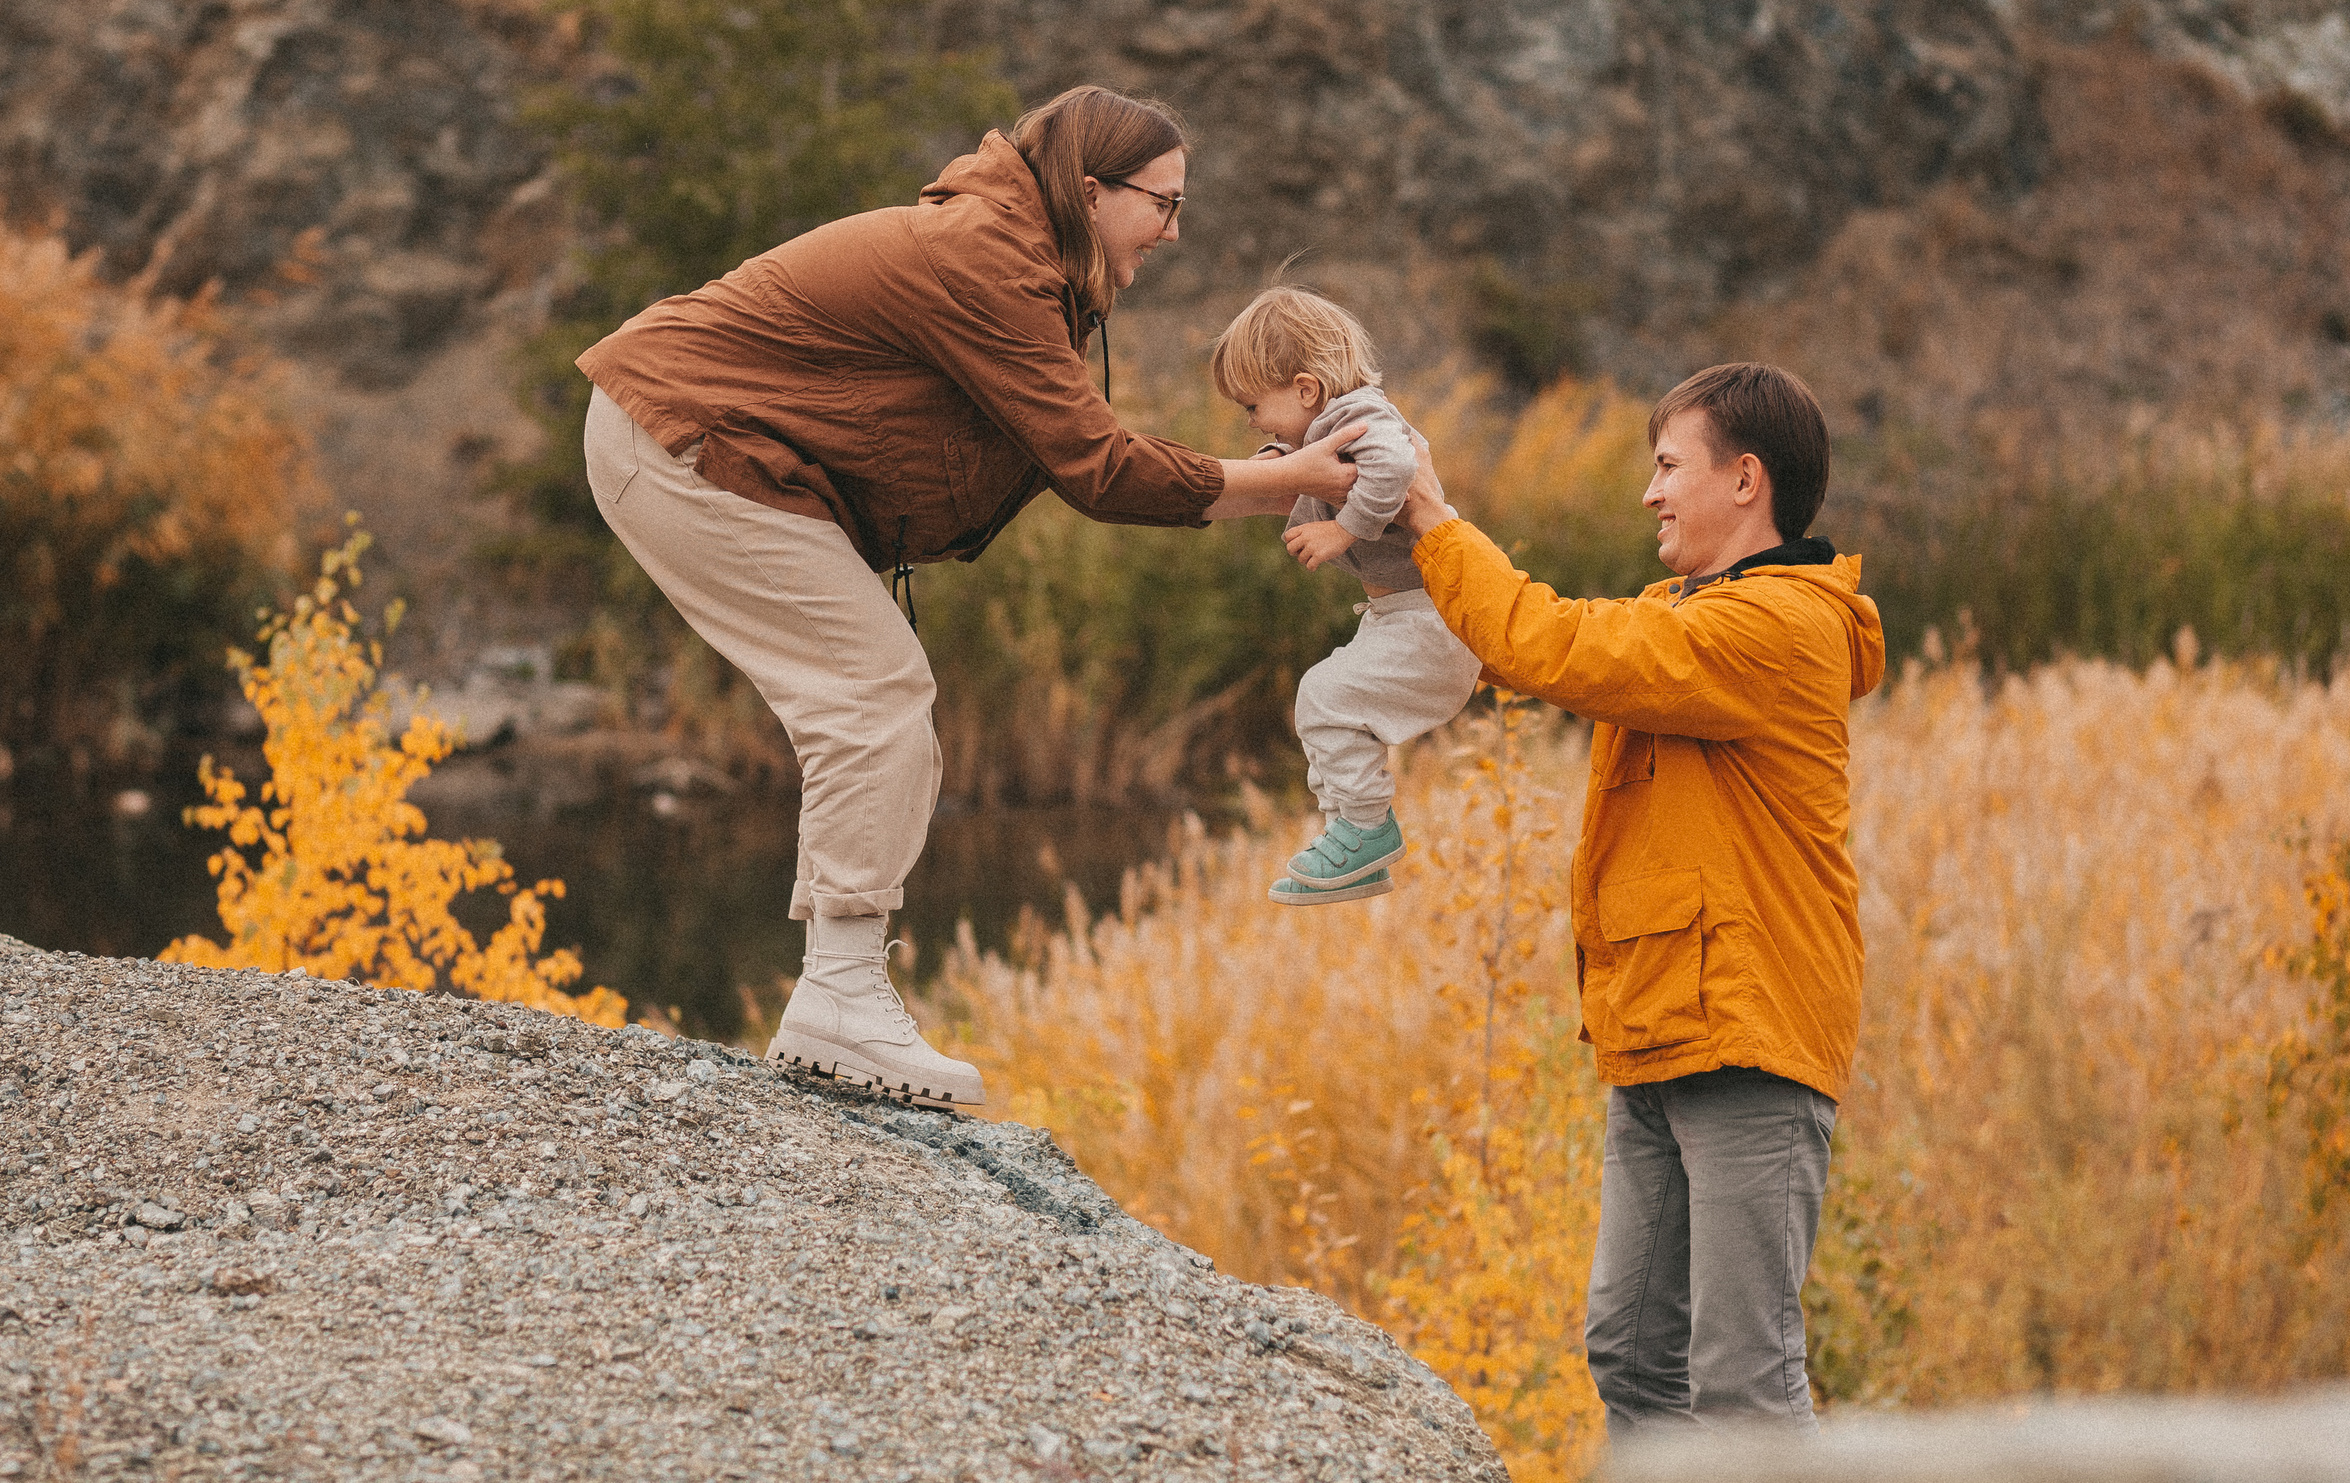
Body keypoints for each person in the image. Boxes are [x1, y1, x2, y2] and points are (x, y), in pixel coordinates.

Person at [575, 86, 1365, 1109]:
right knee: (872, 694)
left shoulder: (1017, 261)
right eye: (1164, 204)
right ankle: (838, 1001)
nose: (1174, 231)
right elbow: (1098, 468)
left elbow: (1066, 452)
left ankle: (838, 991)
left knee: (869, 697)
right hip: (681, 434)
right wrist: (1288, 479)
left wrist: (1277, 480)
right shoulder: (986, 261)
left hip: (684, 434)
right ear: (1091, 191)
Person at [1396, 362, 1884, 1431]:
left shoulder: (1774, 627)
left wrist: (1437, 520)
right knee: (1630, 1353)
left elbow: (1561, 645)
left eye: (1668, 466)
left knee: (1744, 1380)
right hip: (1662, 1021)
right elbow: (1532, 647)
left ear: (1745, 479)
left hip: (1749, 1031)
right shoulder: (1689, 616)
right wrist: (1397, 546)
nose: (1650, 492)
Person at [1206, 286, 1483, 904]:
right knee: (1324, 707)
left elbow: (1394, 468)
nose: (1250, 419)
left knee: (1323, 695)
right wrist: (1281, 458)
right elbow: (1320, 463)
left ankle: (1366, 828)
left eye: (1253, 405)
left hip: (1429, 618)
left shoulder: (1362, 418)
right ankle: (1350, 839)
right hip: (1399, 614)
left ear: (1306, 389)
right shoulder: (1333, 426)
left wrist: (1343, 530)